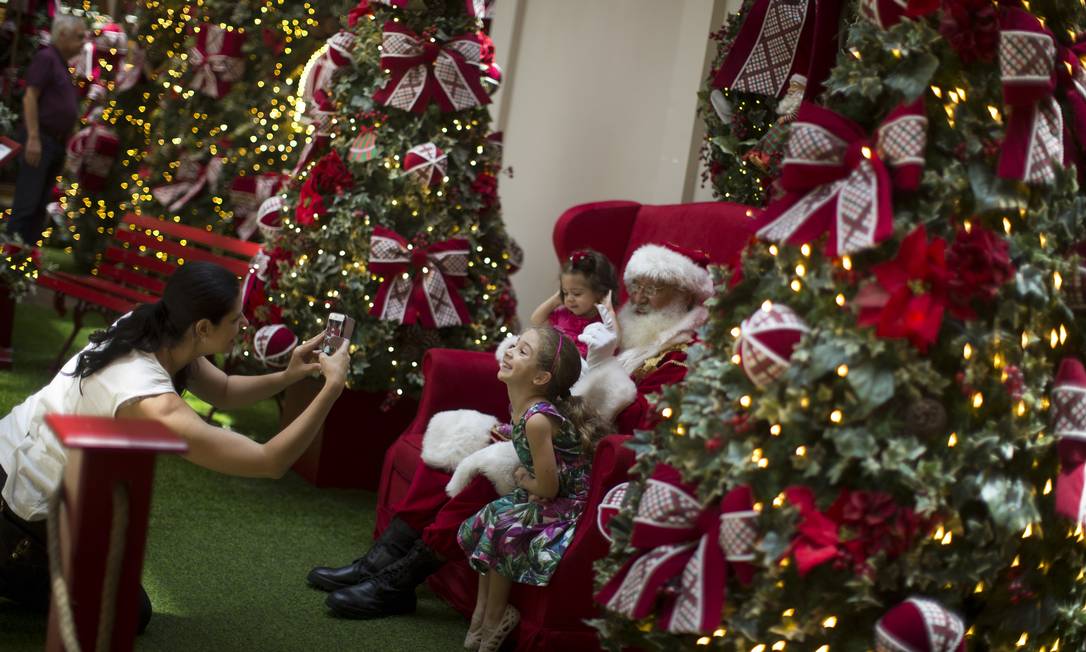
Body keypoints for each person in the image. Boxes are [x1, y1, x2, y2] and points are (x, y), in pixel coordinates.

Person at [308, 242, 713, 621]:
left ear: (682, 296)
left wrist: (573, 402)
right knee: (454, 437)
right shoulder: (622, 332)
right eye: (636, 286)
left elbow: (635, 423)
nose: (639, 298)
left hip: (578, 455)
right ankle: (381, 558)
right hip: (547, 423)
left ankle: (400, 581)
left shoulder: (680, 356)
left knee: (489, 468)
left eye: (652, 289)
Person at [0, 261, 350, 631]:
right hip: (18, 505)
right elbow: (270, 461)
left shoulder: (154, 325)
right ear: (202, 328)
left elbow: (225, 391)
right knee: (130, 611)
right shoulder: (151, 402)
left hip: (15, 453)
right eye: (235, 318)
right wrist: (331, 389)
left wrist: (290, 375)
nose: (245, 323)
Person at [458, 327, 607, 650]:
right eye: (515, 345)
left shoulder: (538, 419)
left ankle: (498, 615)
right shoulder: (521, 408)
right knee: (489, 518)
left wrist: (524, 479)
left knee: (507, 531)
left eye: (523, 351)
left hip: (571, 503)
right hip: (554, 494)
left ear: (540, 378)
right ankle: (482, 613)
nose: (510, 351)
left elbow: (549, 487)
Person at [6, 15, 84, 244]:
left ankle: (24, 264)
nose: (83, 42)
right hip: (41, 140)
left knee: (40, 207)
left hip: (55, 143)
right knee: (26, 205)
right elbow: (30, 97)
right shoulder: (46, 58)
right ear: (62, 35)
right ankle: (9, 264)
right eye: (78, 37)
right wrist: (32, 138)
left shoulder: (61, 63)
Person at [528, 249, 618, 359]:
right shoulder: (563, 315)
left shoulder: (604, 321)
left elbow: (616, 342)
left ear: (599, 292)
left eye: (577, 293)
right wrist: (556, 299)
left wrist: (609, 311)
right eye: (565, 293)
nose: (569, 299)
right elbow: (536, 321)